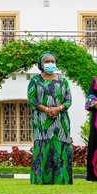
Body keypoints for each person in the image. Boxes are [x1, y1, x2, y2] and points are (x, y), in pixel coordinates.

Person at [27, 52, 73, 185]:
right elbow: (32, 100)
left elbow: (68, 100)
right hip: (41, 121)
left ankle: (61, 179)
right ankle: (40, 179)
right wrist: (47, 109)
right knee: (42, 148)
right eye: (47, 61)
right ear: (41, 64)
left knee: (60, 149)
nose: (50, 64)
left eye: (52, 61)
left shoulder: (63, 80)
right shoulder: (35, 80)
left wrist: (57, 109)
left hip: (61, 121)